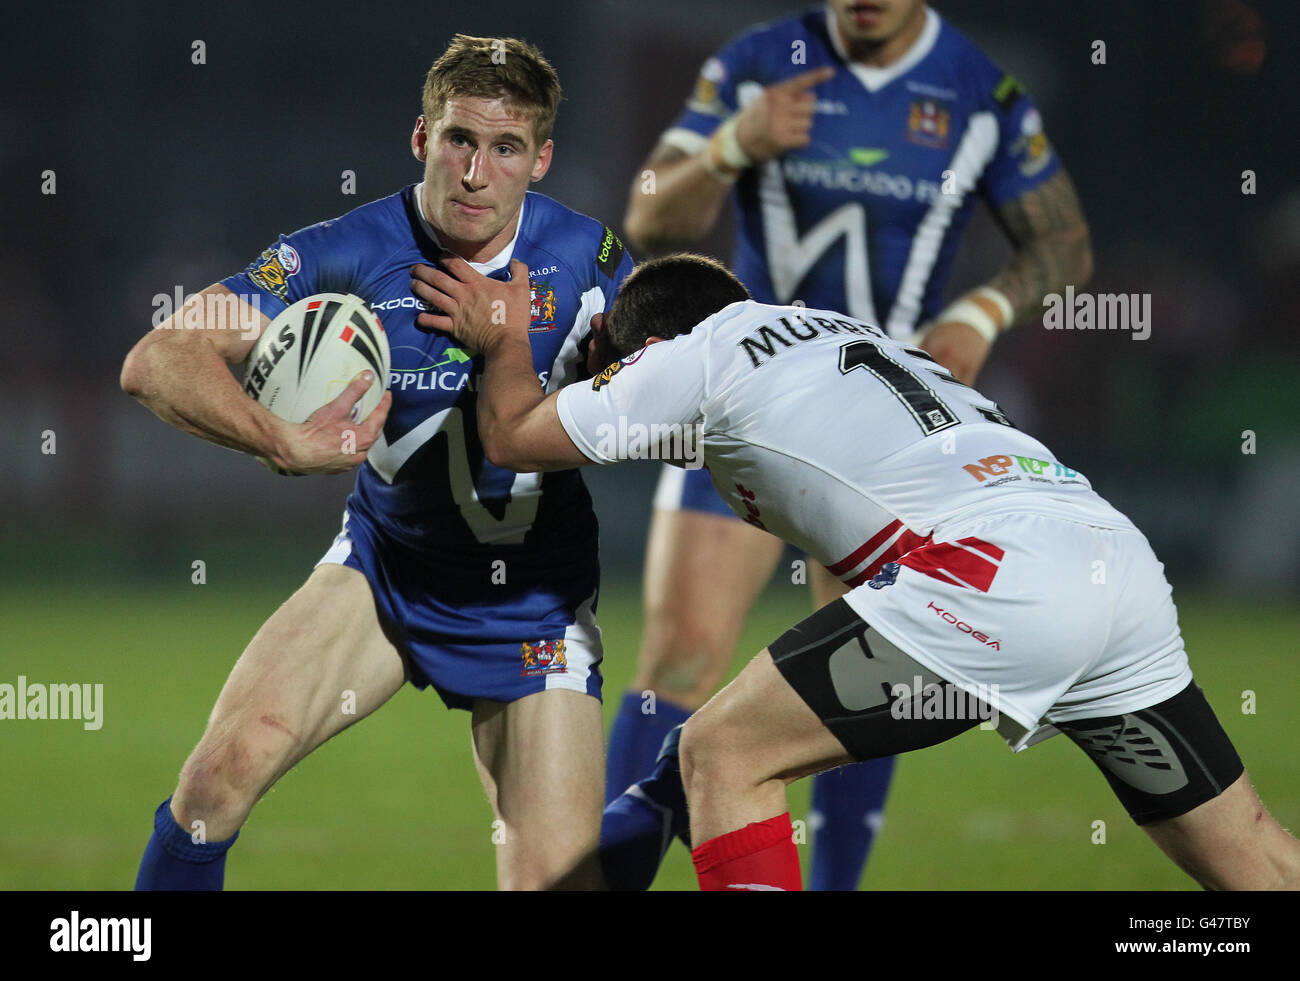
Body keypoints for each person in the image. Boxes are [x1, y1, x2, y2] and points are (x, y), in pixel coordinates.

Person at [409, 251, 1300, 891]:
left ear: (637, 348)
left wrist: (507, 336)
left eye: (606, 366)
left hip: (996, 576)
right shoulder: (839, 344)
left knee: (725, 753)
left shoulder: (698, 351)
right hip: (1108, 556)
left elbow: (510, 436)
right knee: (1250, 854)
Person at [120, 34, 634, 891]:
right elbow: (158, 357)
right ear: (420, 139)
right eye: (458, 139)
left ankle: (667, 804)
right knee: (214, 781)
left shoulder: (590, 260)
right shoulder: (348, 251)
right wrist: (273, 436)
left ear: (539, 159)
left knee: (552, 882)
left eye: (505, 148)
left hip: (536, 608)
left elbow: (684, 369)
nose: (475, 172)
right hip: (384, 571)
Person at [610, 0, 1093, 889]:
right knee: (676, 656)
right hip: (745, 409)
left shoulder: (978, 91)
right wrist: (730, 148)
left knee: (863, 674)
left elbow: (1064, 242)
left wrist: (982, 311)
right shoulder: (761, 60)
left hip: (888, 437)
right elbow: (649, 219)